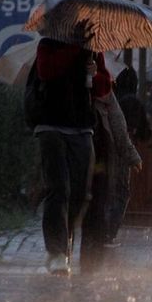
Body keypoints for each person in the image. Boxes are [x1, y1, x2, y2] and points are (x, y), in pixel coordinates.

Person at [31, 37, 110, 275]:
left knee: (81, 192)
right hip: (51, 126)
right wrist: (74, 48)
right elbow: (46, 71)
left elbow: (104, 88)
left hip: (82, 127)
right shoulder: (48, 44)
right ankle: (56, 251)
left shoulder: (94, 49)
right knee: (59, 188)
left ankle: (64, 238)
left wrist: (94, 73)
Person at [80, 85, 143, 271]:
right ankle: (93, 250)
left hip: (84, 154)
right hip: (99, 156)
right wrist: (132, 156)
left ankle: (70, 250)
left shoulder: (76, 86)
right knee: (98, 200)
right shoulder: (104, 91)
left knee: (84, 200)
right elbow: (118, 127)